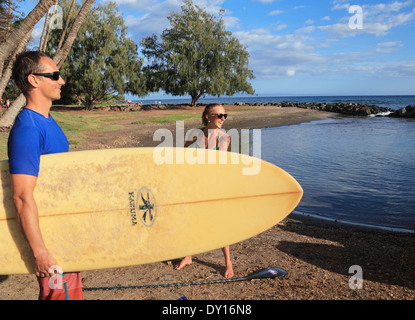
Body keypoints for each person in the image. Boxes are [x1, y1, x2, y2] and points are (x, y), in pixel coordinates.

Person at [8, 51, 83, 300]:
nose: (62, 81)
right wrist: (40, 254)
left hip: (64, 234)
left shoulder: (48, 120)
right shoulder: (28, 128)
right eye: (54, 75)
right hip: (50, 243)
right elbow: (21, 196)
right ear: (34, 80)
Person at [174, 103, 234, 278]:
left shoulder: (224, 138)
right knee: (190, 219)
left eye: (225, 116)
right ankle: (188, 256)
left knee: (219, 223)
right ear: (208, 116)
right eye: (219, 115)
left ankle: (228, 263)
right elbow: (183, 156)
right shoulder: (194, 135)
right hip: (193, 182)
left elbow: (218, 162)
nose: (223, 119)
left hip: (213, 184)